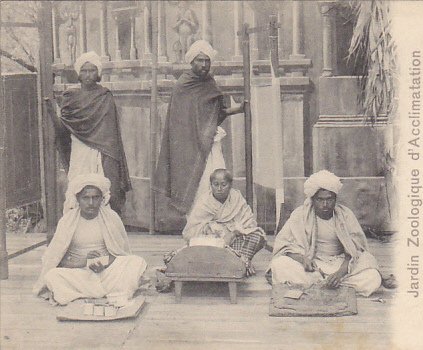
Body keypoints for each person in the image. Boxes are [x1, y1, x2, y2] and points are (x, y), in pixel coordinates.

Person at [153, 40, 244, 222]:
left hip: (210, 144)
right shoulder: (183, 85)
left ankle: (217, 224)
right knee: (196, 186)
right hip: (190, 149)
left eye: (207, 61)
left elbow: (217, 114)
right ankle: (195, 227)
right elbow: (179, 124)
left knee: (215, 180)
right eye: (199, 60)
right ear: (191, 62)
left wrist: (239, 109)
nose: (203, 65)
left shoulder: (210, 83)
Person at [32, 174, 147, 305]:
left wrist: (104, 263)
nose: (91, 203)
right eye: (85, 198)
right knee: (52, 276)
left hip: (106, 272)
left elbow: (121, 252)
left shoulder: (112, 217)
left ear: (102, 199)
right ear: (77, 199)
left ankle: (85, 294)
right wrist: (85, 262)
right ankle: (110, 293)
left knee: (136, 262)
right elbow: (56, 259)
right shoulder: (67, 221)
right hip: (79, 273)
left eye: (95, 197)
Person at [270, 170, 382, 297]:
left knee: (373, 276)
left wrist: (340, 273)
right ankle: (334, 286)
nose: (325, 204)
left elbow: (356, 250)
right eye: (320, 200)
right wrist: (303, 260)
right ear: (312, 199)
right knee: (279, 265)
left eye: (329, 199)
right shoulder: (299, 215)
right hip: (313, 266)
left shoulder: (345, 215)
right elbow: (284, 247)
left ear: (335, 198)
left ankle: (320, 285)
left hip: (341, 264)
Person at [44, 51, 131, 215]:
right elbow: (63, 130)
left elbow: (110, 134)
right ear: (78, 73)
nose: (88, 75)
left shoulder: (105, 96)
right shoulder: (70, 97)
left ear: (98, 73)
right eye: (84, 71)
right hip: (80, 149)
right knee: (79, 186)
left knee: (102, 187)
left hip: (101, 152)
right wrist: (51, 113)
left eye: (92, 70)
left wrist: (108, 156)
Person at [165, 169, 266, 276]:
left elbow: (248, 222)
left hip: (235, 242)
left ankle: (242, 261)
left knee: (257, 236)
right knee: (204, 246)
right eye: (215, 184)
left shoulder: (236, 198)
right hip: (213, 242)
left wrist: (234, 231)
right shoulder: (205, 201)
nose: (219, 189)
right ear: (211, 185)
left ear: (230, 185)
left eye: (223, 185)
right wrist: (211, 228)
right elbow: (191, 230)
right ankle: (236, 264)